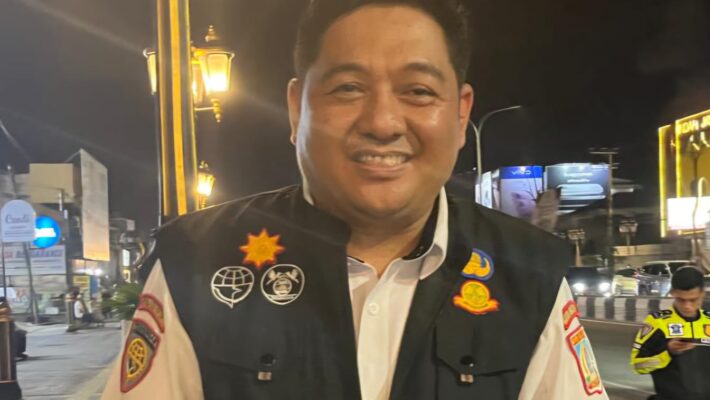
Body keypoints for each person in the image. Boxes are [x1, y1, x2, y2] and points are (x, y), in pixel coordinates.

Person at [103, 0, 607, 398]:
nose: (383, 123)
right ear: (297, 108)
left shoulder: (528, 276)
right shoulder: (197, 263)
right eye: (348, 88)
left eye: (418, 91)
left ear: (460, 115)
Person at [631, 266, 710, 400]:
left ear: (702, 294)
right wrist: (668, 353)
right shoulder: (657, 323)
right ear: (673, 293)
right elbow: (637, 365)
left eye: (693, 299)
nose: (687, 306)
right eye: (681, 299)